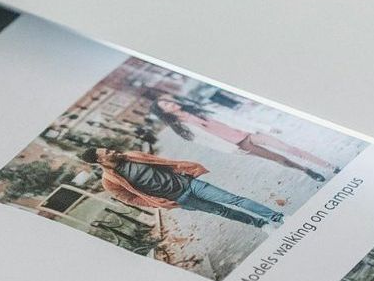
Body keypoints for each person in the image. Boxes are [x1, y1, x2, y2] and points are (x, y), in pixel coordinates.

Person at [146, 94, 336, 181]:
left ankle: (330, 167)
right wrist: (232, 150)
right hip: (239, 144)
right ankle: (306, 170)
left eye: (169, 102)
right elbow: (207, 142)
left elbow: (232, 117)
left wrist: (264, 127)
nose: (171, 105)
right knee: (282, 159)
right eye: (166, 106)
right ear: (164, 113)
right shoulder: (182, 128)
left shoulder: (198, 109)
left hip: (249, 133)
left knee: (290, 149)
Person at [80, 148, 283, 228]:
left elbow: (163, 162)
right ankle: (260, 224)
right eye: (106, 151)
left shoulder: (130, 155)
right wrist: (159, 202)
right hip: (181, 199)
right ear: (100, 160)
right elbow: (130, 199)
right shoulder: (109, 181)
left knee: (233, 199)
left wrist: (183, 170)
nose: (111, 150)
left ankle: (276, 217)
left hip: (189, 183)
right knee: (222, 211)